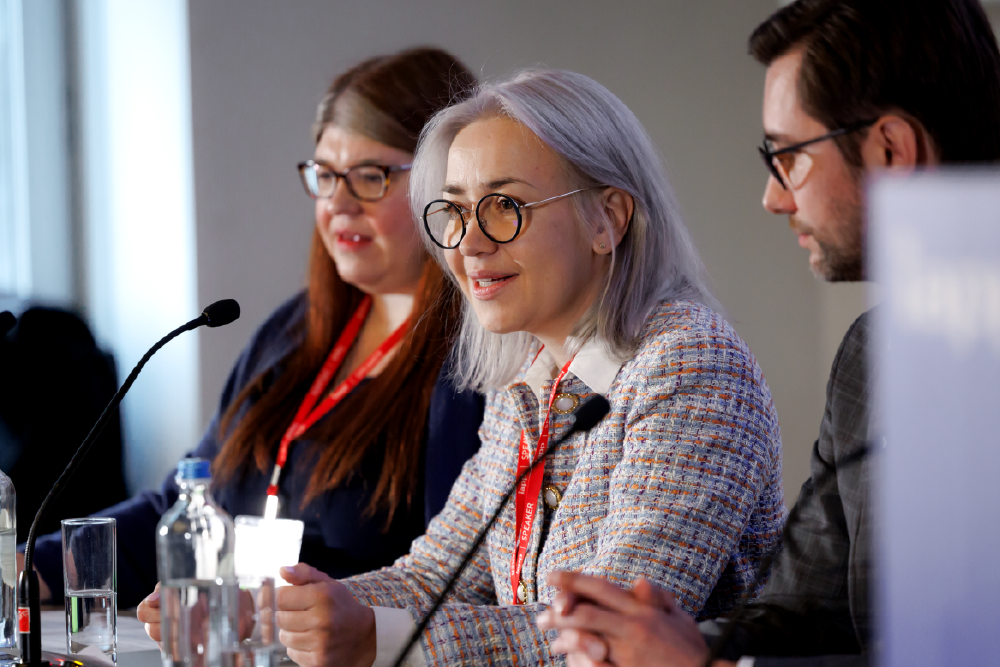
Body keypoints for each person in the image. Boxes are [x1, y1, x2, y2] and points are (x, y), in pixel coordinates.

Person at [190, 68, 789, 667]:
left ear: (607, 219)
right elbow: (433, 576)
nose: (468, 244)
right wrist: (265, 610)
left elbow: (604, 638)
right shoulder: (529, 376)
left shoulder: (692, 364)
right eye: (453, 211)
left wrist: (380, 636)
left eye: (503, 207)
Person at [536, 1, 1000, 666]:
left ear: (892, 150)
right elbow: (798, 611)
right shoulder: (870, 357)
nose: (773, 197)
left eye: (787, 156)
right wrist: (651, 639)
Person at [24, 47, 484, 610]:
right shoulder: (292, 330)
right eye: (325, 174)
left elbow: (457, 578)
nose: (338, 203)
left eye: (371, 176)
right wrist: (29, 567)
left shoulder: (473, 361)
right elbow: (186, 508)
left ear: (448, 186)